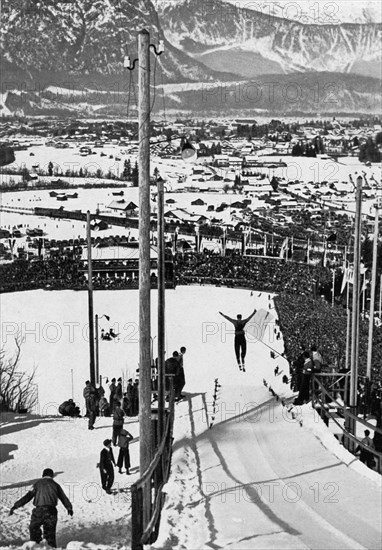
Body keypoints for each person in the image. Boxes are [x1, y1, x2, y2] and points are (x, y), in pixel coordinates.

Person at [9, 468, 73, 548]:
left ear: (43, 475)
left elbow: (28, 496)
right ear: (52, 476)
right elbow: (63, 497)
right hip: (51, 511)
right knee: (50, 536)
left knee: (34, 531)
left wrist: (16, 506)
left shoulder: (37, 484)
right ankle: (50, 548)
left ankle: (36, 546)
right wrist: (69, 508)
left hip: (38, 512)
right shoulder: (55, 485)